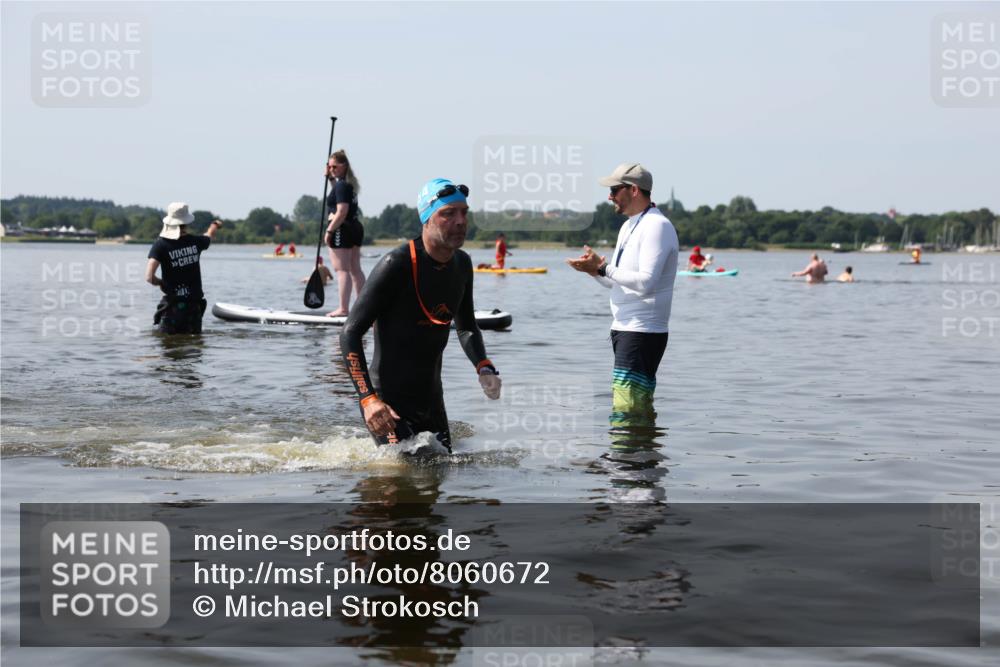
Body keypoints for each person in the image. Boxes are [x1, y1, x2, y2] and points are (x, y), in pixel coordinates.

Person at [340, 178, 502, 453]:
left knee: (440, 469)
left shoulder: (462, 264)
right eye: (448, 214)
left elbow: (466, 326)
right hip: (387, 403)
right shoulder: (396, 264)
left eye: (464, 213)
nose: (460, 221)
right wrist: (368, 399)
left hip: (431, 399)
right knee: (402, 475)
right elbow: (350, 333)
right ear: (426, 219)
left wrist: (483, 366)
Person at [565, 163, 679, 418]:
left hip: (642, 331)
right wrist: (593, 271)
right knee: (632, 409)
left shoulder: (656, 226)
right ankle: (639, 444)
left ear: (634, 190)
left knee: (626, 409)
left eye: (615, 190)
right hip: (625, 329)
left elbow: (647, 282)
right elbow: (615, 280)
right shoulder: (628, 226)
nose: (610, 196)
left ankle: (630, 445)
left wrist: (604, 268)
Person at [145, 202, 222, 334]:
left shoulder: (161, 244)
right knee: (194, 344)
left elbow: (149, 277)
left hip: (172, 309)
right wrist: (214, 225)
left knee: (168, 344)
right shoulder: (196, 242)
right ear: (186, 222)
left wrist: (161, 283)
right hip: (194, 308)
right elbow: (209, 235)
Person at [324, 149, 366, 317]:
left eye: (334, 167)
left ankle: (343, 309)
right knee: (355, 269)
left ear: (344, 166)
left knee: (342, 270)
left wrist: (329, 230)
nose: (331, 169)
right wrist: (330, 179)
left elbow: (341, 211)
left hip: (342, 228)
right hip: (355, 227)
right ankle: (363, 309)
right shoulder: (348, 184)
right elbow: (337, 194)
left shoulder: (342, 185)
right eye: (329, 167)